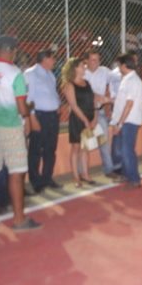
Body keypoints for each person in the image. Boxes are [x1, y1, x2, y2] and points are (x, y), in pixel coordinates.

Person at [0, 36, 42, 232]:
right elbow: (21, 107)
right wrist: (29, 108)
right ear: (14, 51)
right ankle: (19, 219)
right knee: (17, 172)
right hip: (10, 127)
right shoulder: (15, 74)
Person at [24, 49, 62, 193]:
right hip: (39, 115)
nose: (54, 61)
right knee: (36, 150)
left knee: (50, 149)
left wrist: (57, 105)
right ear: (45, 59)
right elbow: (28, 98)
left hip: (52, 116)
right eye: (52, 58)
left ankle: (47, 178)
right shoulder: (31, 74)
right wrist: (32, 117)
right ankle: (36, 181)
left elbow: (53, 92)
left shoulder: (50, 74)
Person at [62, 57, 98, 188]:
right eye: (82, 66)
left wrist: (95, 117)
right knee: (76, 148)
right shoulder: (69, 85)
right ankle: (76, 177)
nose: (84, 68)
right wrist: (85, 120)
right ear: (75, 68)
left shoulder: (87, 83)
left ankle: (85, 174)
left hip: (89, 118)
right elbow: (74, 105)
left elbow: (93, 101)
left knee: (85, 148)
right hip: (78, 120)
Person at [110, 53, 142, 189]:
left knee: (127, 150)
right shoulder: (126, 79)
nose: (118, 68)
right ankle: (126, 174)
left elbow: (129, 104)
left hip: (129, 121)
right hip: (123, 121)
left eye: (119, 65)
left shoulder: (133, 80)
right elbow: (121, 102)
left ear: (124, 65)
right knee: (120, 150)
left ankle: (134, 179)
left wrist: (120, 123)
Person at [84, 49, 117, 177]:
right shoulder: (82, 72)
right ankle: (82, 173)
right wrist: (102, 97)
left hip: (100, 111)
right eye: (92, 60)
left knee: (104, 141)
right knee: (84, 144)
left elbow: (117, 79)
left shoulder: (104, 71)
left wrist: (111, 98)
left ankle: (109, 169)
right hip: (85, 112)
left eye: (97, 60)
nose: (95, 62)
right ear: (86, 61)